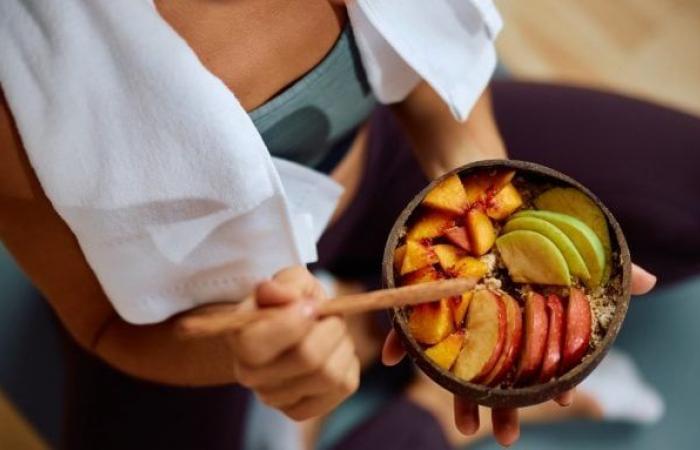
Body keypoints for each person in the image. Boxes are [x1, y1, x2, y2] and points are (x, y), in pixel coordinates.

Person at [2, 0, 696, 449]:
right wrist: (247, 356)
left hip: (383, 172)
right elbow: (101, 322)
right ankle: (412, 397)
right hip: (199, 307)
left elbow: (423, 57)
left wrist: (479, 193)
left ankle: (369, 332)